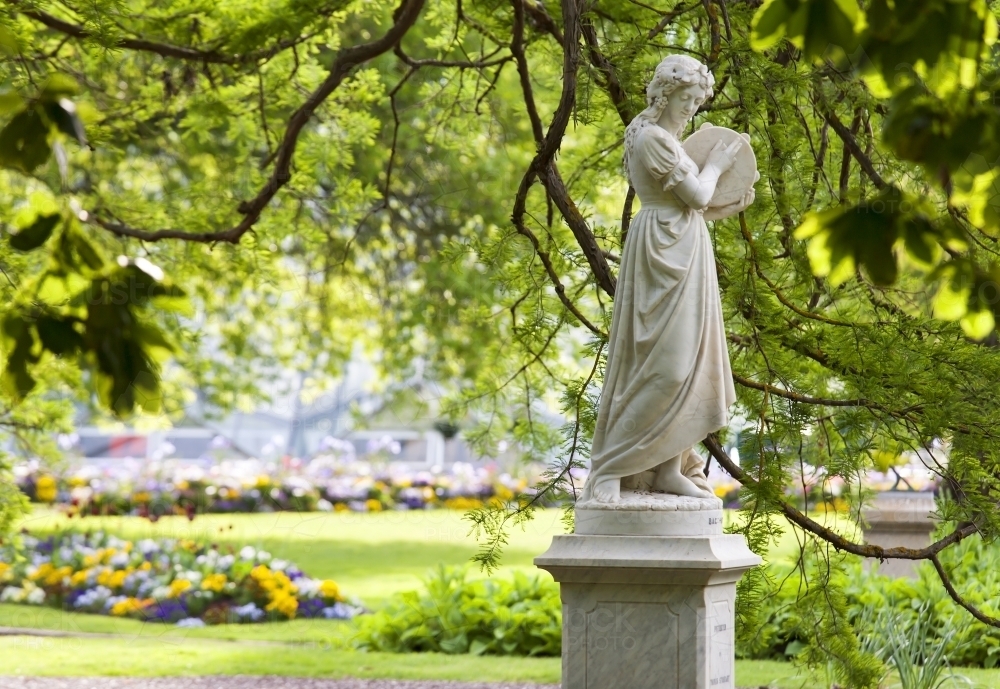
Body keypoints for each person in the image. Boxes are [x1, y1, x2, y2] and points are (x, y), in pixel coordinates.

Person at [582, 54, 755, 504]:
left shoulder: (660, 136)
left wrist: (728, 203)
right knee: (663, 368)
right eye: (685, 98)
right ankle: (610, 467)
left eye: (697, 101)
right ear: (663, 94)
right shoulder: (652, 138)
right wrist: (717, 164)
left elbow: (693, 203)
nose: (691, 109)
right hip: (663, 249)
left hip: (682, 243)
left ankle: (667, 470)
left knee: (688, 368)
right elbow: (695, 193)